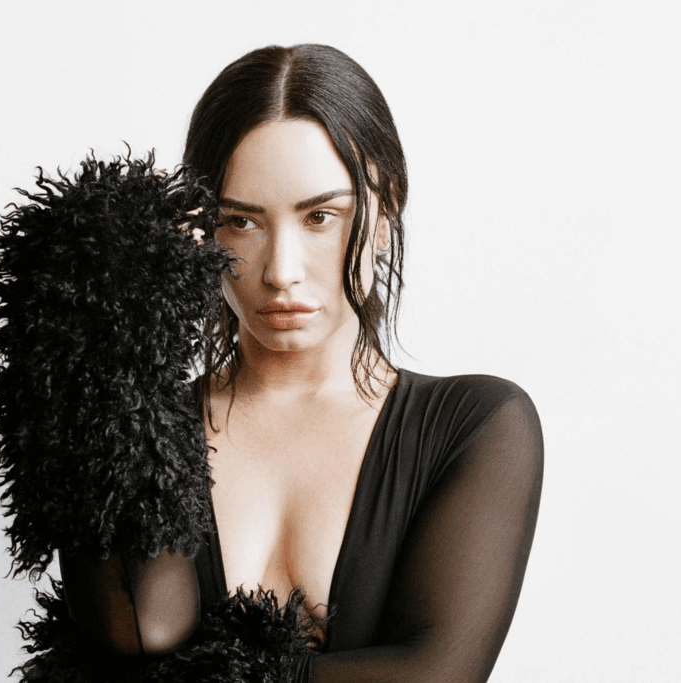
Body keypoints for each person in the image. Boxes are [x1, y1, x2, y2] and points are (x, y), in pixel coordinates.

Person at [58, 44, 544, 682]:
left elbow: (437, 673)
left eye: (320, 216)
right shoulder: (137, 426)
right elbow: (140, 632)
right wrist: (115, 332)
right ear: (198, 231)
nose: (281, 271)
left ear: (386, 210)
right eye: (241, 222)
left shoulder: (476, 424)